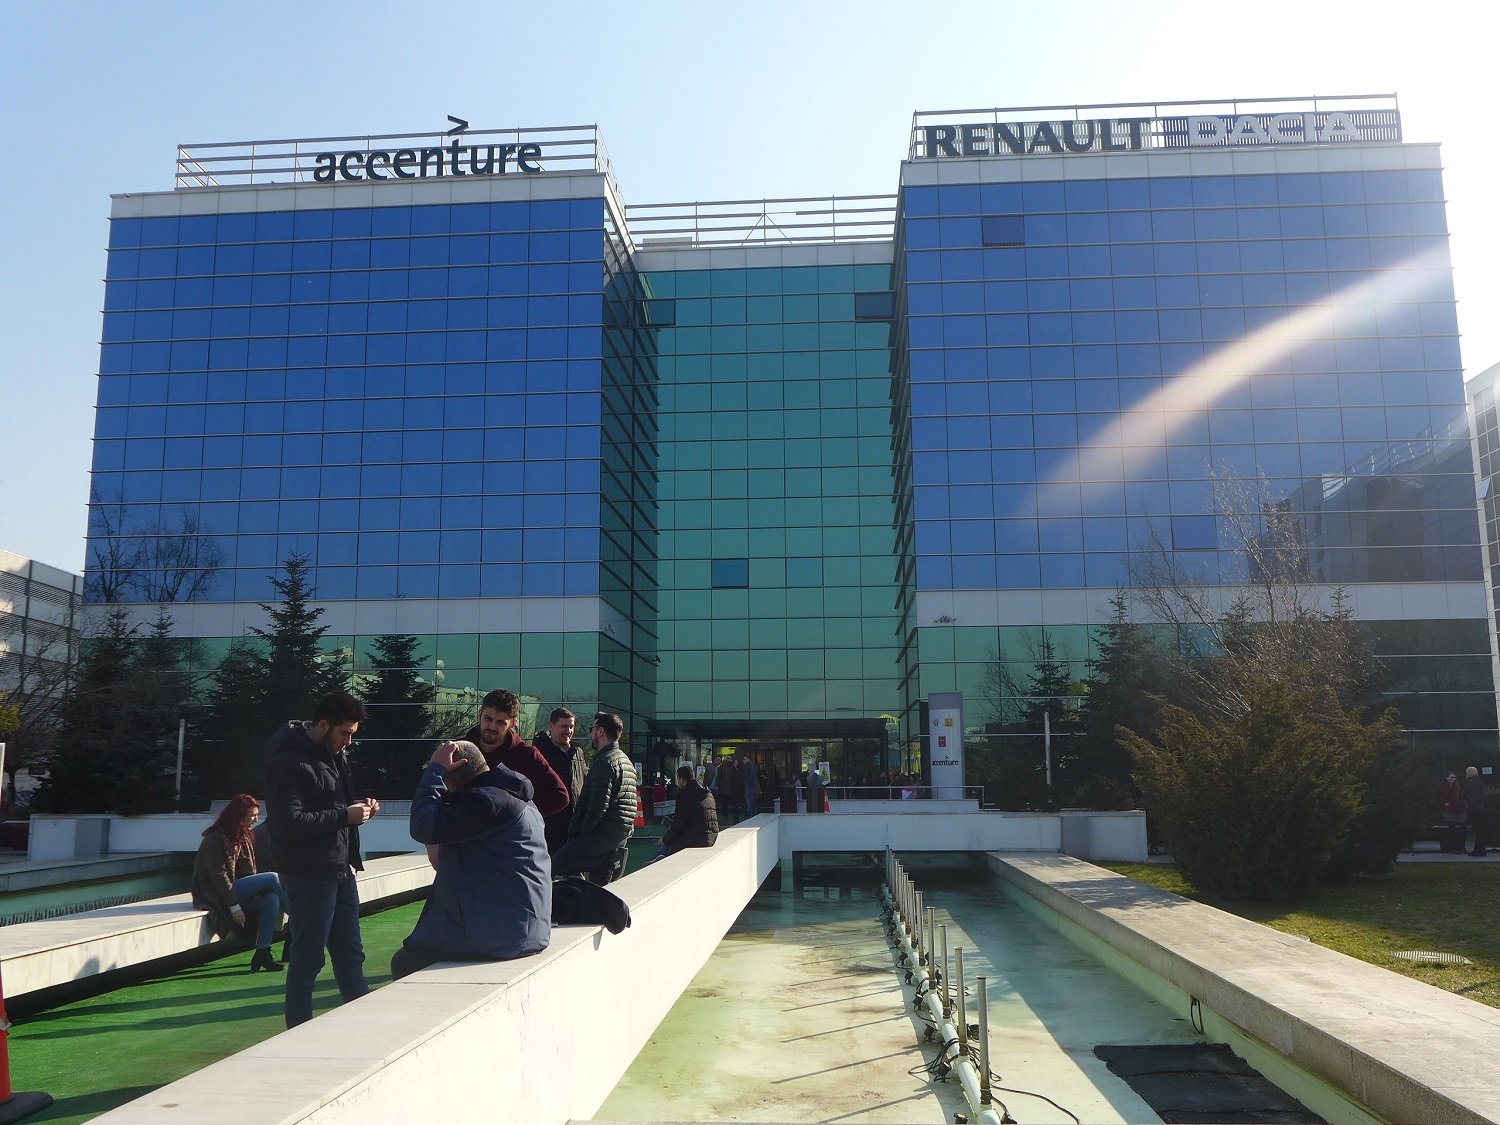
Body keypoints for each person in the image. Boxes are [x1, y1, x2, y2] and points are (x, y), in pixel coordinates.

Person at [265, 689, 379, 1028]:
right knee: (308, 961)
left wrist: (360, 808)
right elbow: (286, 825)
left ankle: (364, 1035)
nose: (348, 742)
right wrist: (345, 816)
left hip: (339, 868)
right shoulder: (287, 761)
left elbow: (331, 806)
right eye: (345, 734)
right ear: (324, 725)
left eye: (352, 735)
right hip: (307, 875)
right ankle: (298, 1038)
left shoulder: (332, 753)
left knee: (350, 958)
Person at [392, 740, 551, 979]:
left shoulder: (486, 802)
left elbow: (423, 827)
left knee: (405, 962)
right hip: (526, 927)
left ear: (453, 777)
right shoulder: (516, 798)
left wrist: (435, 770)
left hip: (502, 934)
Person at [191, 793, 286, 973]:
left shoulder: (243, 836)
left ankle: (262, 953)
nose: (256, 819)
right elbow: (219, 875)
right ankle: (300, 919)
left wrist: (256, 891)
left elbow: (248, 872)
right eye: (252, 815)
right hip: (213, 892)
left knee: (272, 899)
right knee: (273, 877)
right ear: (239, 815)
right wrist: (234, 906)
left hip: (235, 888)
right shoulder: (214, 838)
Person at [552, 712, 638, 884]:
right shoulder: (625, 760)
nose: (590, 734)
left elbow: (598, 806)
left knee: (554, 864)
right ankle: (607, 862)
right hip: (618, 834)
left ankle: (606, 861)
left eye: (592, 729)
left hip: (602, 833)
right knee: (599, 889)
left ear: (600, 732)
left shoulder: (605, 762)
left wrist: (580, 831)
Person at [464, 689, 569, 821]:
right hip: (463, 835)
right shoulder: (459, 749)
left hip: (503, 838)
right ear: (480, 714)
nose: (492, 726)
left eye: (500, 722)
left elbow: (560, 795)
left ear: (513, 723)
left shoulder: (526, 755)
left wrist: (520, 817)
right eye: (488, 719)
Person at [533, 706, 586, 854]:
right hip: (548, 828)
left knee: (576, 873)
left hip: (574, 828)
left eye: (571, 727)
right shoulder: (538, 753)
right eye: (564, 726)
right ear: (551, 726)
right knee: (546, 873)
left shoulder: (578, 753)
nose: (568, 731)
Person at [650, 764, 719, 861]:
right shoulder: (707, 793)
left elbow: (678, 824)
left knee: (672, 839)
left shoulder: (686, 795)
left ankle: (659, 856)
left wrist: (664, 839)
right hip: (711, 837)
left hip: (696, 839)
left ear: (682, 780)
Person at [1436, 771, 1466, 854]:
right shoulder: (1442, 787)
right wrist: (1443, 804)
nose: (1453, 779)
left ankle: (1462, 846)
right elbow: (1436, 797)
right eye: (1451, 777)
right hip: (1449, 809)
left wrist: (1463, 804)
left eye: (1454, 777)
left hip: (1459, 809)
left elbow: (1462, 796)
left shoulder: (1458, 787)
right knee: (1452, 829)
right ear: (1447, 778)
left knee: (1463, 828)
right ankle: (1456, 847)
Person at [1464, 766, 1488, 857]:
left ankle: (1480, 851)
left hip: (1472, 808)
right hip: (1480, 807)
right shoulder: (1481, 782)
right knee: (1480, 830)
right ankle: (1479, 850)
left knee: (1477, 831)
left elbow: (1463, 794)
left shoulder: (1468, 783)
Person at [741, 754, 759, 819]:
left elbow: (751, 776)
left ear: (748, 759)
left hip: (750, 786)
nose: (743, 761)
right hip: (751, 785)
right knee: (752, 801)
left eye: (744, 759)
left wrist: (747, 783)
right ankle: (754, 815)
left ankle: (751, 816)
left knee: (750, 801)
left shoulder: (749, 766)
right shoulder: (749, 766)